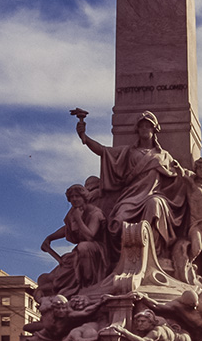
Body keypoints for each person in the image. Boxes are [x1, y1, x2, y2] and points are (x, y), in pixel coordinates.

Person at [76, 110, 187, 256]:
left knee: (155, 205)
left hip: (154, 195)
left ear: (154, 130)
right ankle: (127, 257)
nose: (144, 129)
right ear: (137, 130)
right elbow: (104, 151)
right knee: (117, 222)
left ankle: (152, 254)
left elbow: (180, 174)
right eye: (141, 126)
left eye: (148, 126)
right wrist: (84, 137)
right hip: (131, 196)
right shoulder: (128, 152)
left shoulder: (163, 155)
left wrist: (201, 180)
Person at [41, 184, 108, 296]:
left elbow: (90, 236)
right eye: (72, 197)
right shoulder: (74, 212)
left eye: (77, 196)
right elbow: (67, 229)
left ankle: (88, 285)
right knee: (58, 276)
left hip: (97, 250)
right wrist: (50, 238)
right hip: (80, 251)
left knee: (83, 247)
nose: (74, 199)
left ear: (84, 197)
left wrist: (78, 219)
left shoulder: (95, 213)